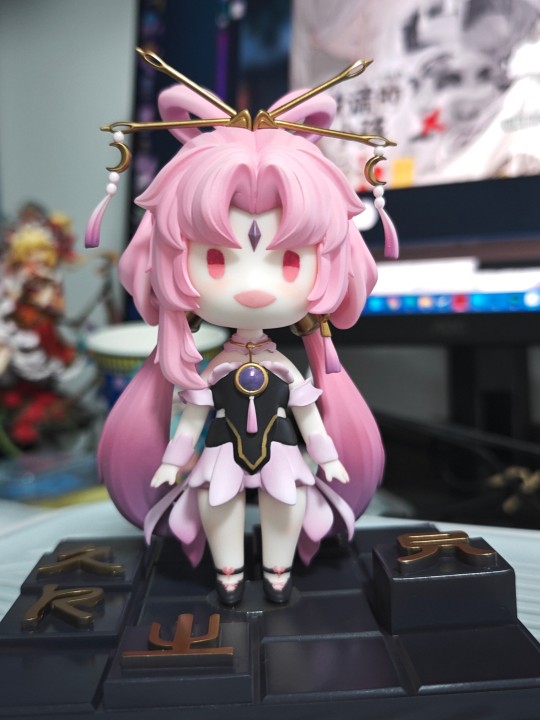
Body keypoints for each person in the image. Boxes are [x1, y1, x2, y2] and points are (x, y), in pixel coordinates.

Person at [88, 50, 397, 605]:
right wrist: (171, 461)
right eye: (215, 260)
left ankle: (277, 571)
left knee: (288, 500)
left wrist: (327, 457)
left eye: (290, 262)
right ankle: (229, 572)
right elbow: (192, 420)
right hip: (220, 454)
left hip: (280, 452)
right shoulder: (213, 371)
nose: (253, 288)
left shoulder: (284, 369)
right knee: (217, 502)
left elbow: (308, 415)